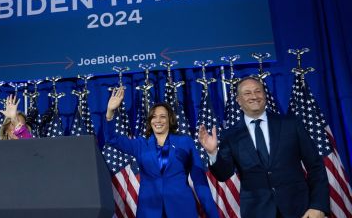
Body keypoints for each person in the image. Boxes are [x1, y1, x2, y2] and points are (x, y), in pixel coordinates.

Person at [198, 77, 329, 218]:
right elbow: (223, 174)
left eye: (258, 91)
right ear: (238, 100)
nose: (254, 96)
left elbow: (316, 166)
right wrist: (212, 153)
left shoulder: (291, 124)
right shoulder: (230, 135)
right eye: (247, 93)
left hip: (299, 209)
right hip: (257, 212)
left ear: (264, 95)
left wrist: (318, 205)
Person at [106, 87, 218, 218]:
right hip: (149, 211)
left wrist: (213, 215)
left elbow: (200, 182)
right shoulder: (141, 145)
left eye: (162, 116)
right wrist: (110, 112)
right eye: (154, 117)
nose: (157, 120)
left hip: (182, 210)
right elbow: (112, 139)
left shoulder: (185, 142)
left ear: (170, 119)